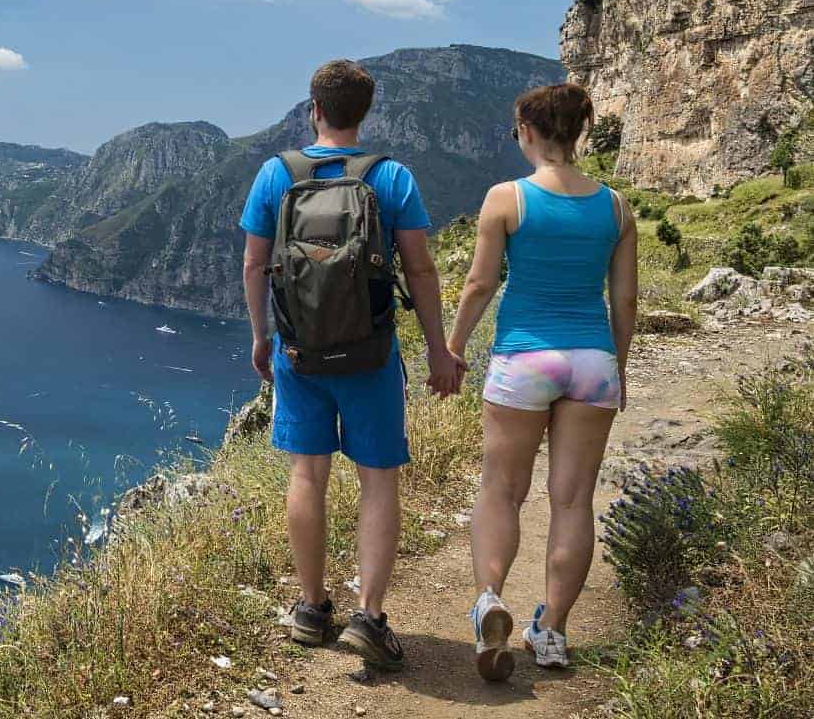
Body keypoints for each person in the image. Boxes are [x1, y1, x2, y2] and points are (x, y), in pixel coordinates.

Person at [240, 59, 462, 673]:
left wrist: (262, 337)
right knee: (378, 482)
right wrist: (439, 349)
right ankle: (369, 616)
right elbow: (419, 270)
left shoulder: (274, 176)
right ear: (365, 113)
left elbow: (255, 265)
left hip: (299, 354)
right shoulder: (391, 179)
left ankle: (311, 609)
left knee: (307, 475)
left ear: (313, 108)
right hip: (371, 353)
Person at [445, 82, 638, 681]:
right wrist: (618, 366)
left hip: (525, 359)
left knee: (502, 490)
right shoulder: (616, 206)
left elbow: (480, 285)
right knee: (573, 500)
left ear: (527, 131)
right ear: (579, 133)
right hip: (591, 361)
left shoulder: (507, 198)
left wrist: (451, 348)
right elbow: (624, 298)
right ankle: (551, 631)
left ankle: (490, 599)